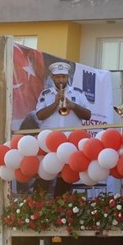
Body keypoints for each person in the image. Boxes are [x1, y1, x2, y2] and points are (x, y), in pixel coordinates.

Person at [35, 62, 92, 196]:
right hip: (49, 141)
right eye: (58, 77)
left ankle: (61, 207)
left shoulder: (77, 93)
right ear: (52, 77)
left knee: (66, 178)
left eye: (63, 77)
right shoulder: (46, 94)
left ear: (68, 77)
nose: (61, 80)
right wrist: (55, 103)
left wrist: (73, 106)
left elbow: (88, 115)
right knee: (44, 175)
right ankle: (38, 206)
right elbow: (39, 115)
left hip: (69, 142)